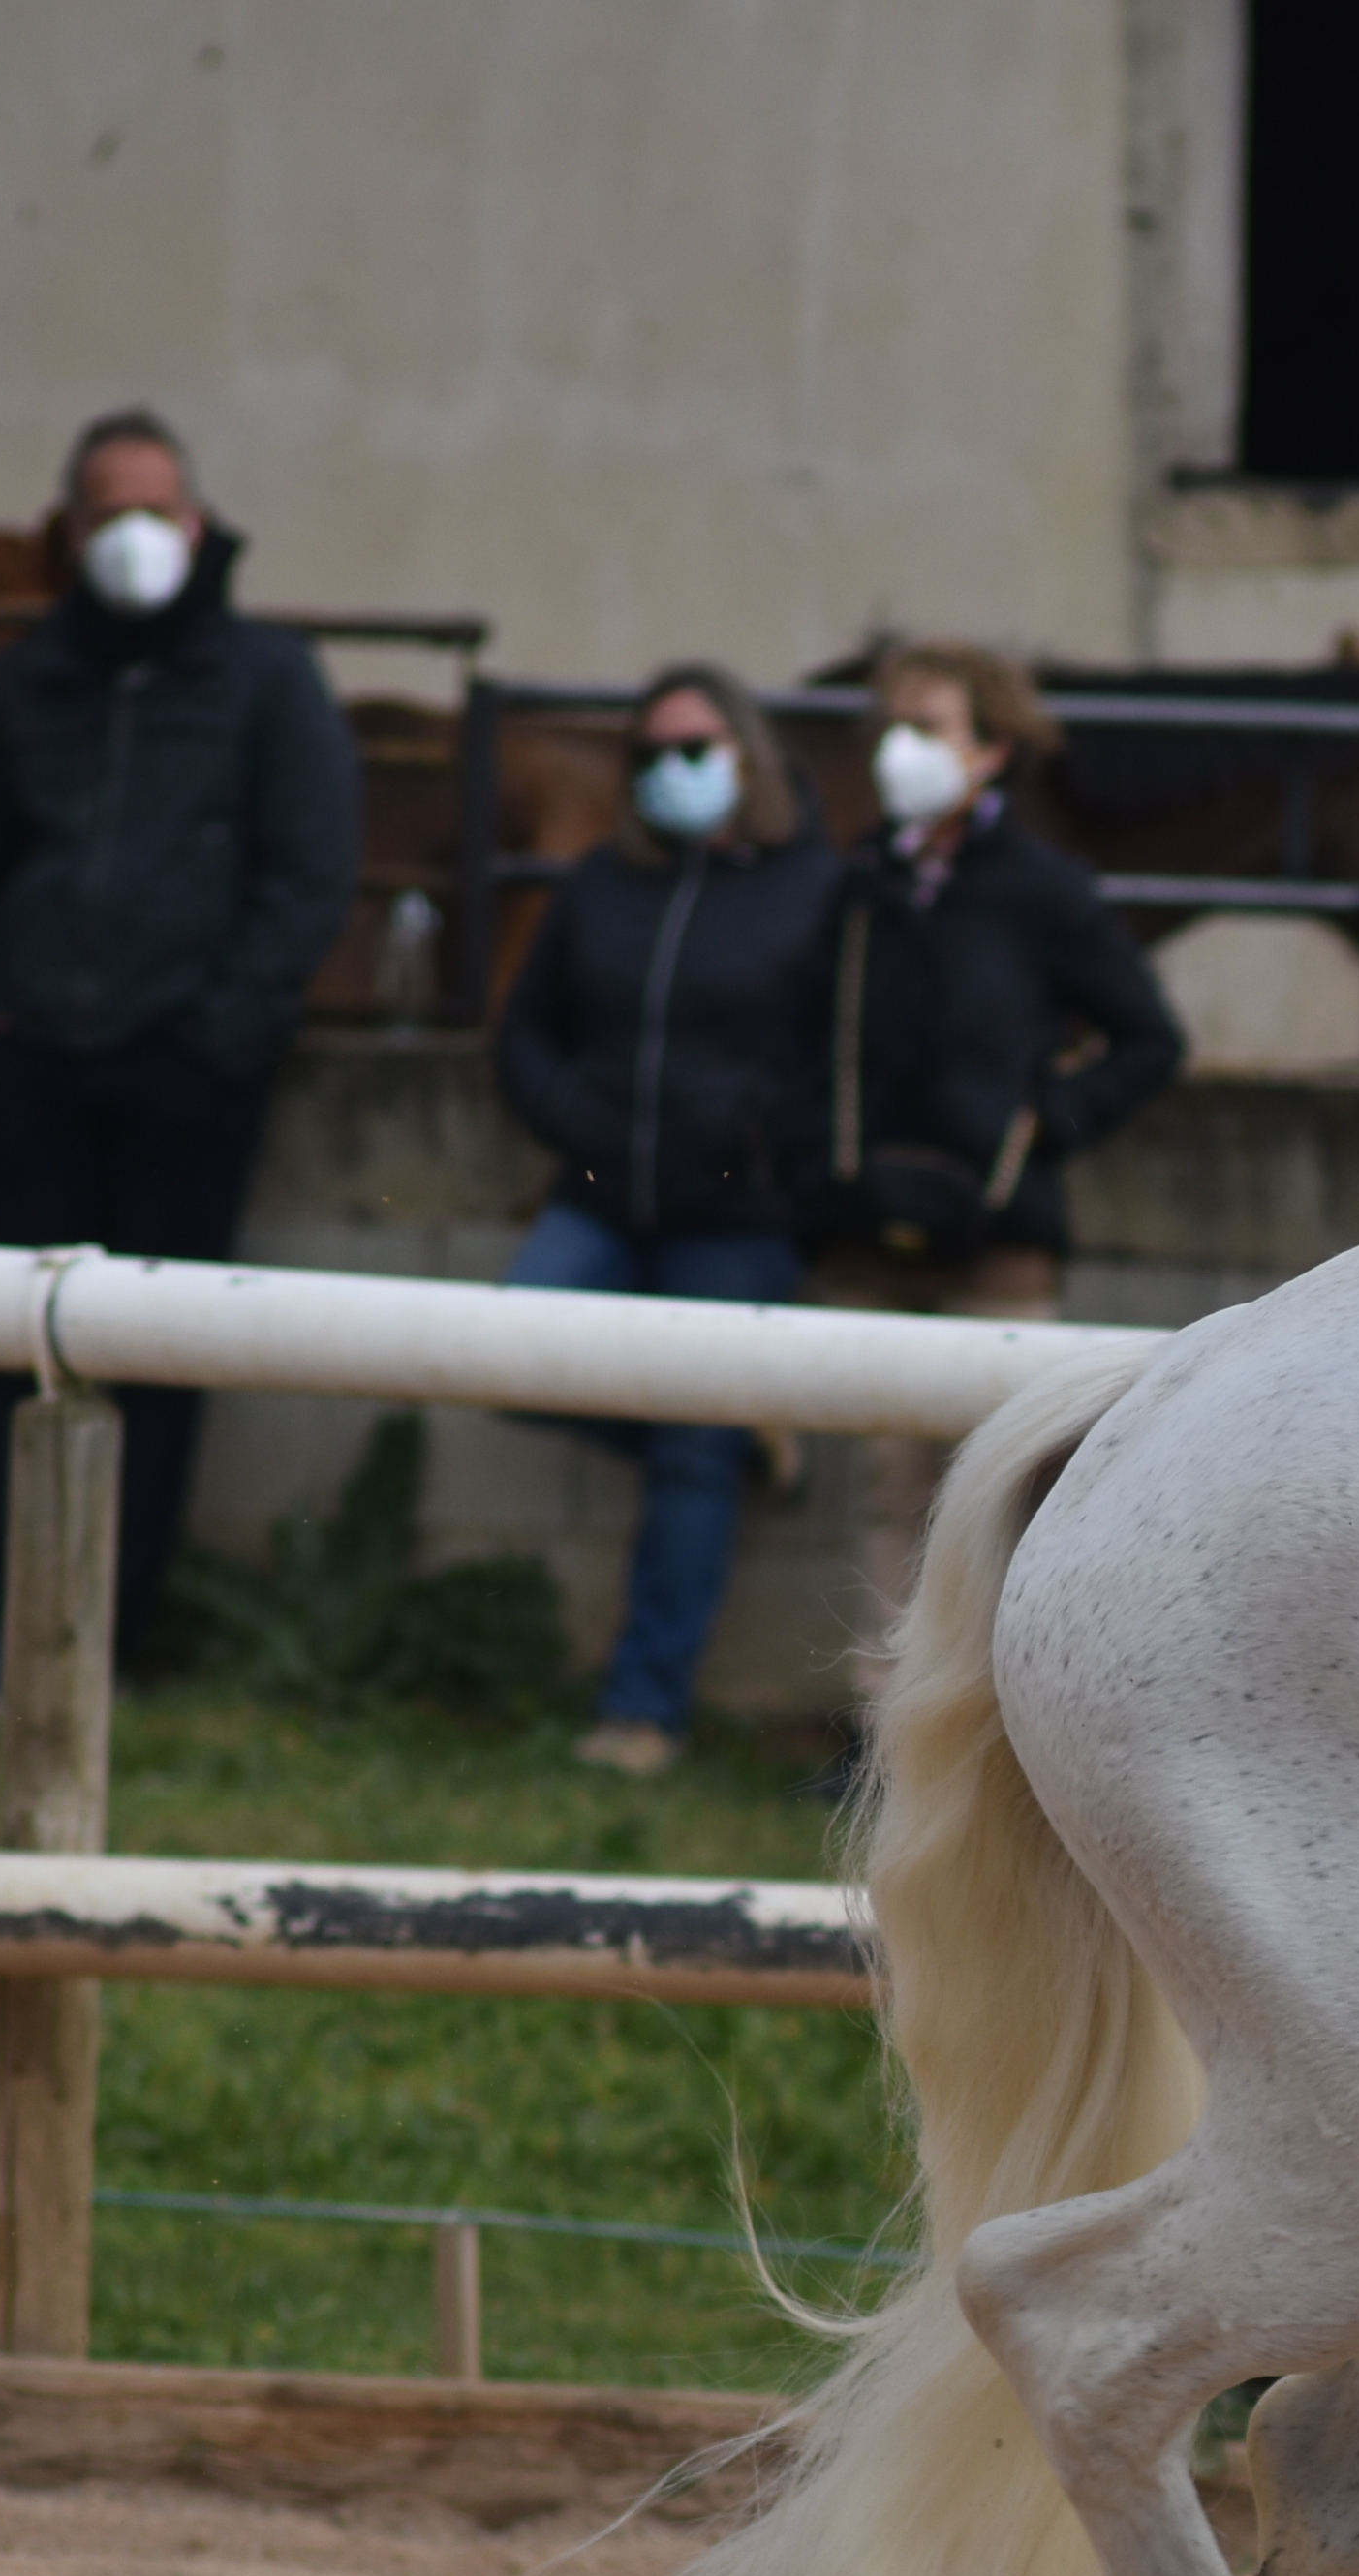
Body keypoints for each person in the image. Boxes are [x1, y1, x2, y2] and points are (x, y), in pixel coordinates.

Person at [0, 407, 360, 1703]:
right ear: (68, 529)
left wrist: (223, 1035)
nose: (133, 536)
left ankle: (108, 1635)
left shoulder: (268, 678)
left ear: (200, 523)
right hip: (36, 1068)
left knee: (156, 1361)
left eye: (154, 508)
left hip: (188, 1074)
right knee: (24, 1352)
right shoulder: (23, 681)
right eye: (106, 510)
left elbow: (307, 873)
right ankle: (1, 1626)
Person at [798, 639, 1186, 1687]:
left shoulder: (1044, 891)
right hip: (868, 1239)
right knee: (887, 1491)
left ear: (993, 751)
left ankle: (1004, 1721)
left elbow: (1148, 1038)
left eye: (928, 730)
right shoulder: (858, 886)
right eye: (890, 730)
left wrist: (1040, 1128)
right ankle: (887, 1727)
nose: (900, 753)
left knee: (1005, 1493)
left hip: (998, 1245)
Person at [484, 661, 842, 1774]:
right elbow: (523, 1030)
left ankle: (642, 1712)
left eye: (694, 749)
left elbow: (842, 1049)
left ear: (747, 756)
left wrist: (768, 1141)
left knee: (691, 1454)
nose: (669, 773)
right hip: (597, 1194)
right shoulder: (599, 883)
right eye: (649, 755)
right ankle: (733, 1446)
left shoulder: (818, 889)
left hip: (735, 1214)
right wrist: (567, 1112)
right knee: (510, 1354)